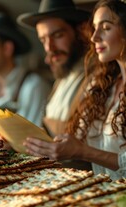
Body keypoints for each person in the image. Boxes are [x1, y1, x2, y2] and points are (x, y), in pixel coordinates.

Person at [23, 0, 126, 180]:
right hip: (105, 197)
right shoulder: (102, 84)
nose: (94, 37)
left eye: (105, 28)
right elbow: (71, 142)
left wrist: (84, 152)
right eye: (95, 28)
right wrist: (20, 140)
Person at [17, 0, 91, 137]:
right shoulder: (62, 78)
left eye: (57, 35)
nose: (49, 48)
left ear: (79, 32)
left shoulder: (97, 76)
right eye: (43, 40)